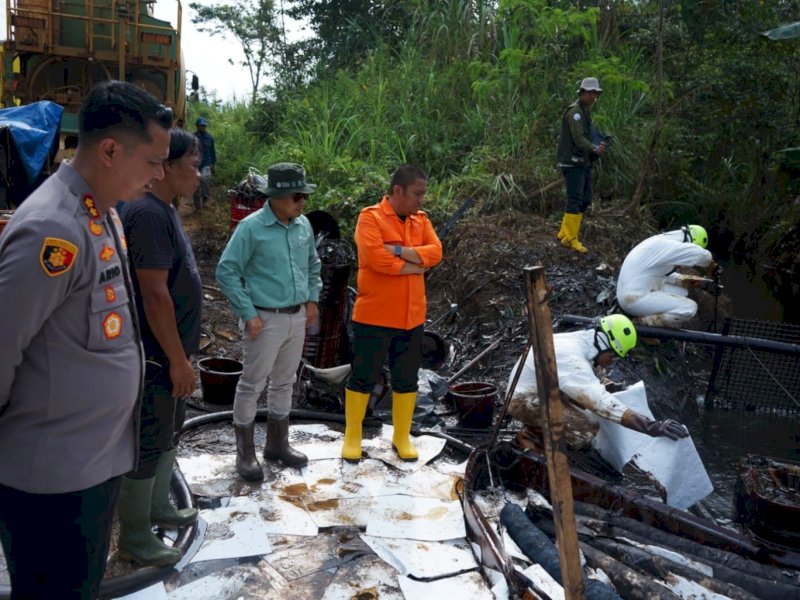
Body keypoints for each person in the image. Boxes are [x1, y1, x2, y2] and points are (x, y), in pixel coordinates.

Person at [0, 81, 171, 599]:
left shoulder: (103, 210)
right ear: (111, 150)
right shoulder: (52, 229)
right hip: (51, 480)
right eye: (154, 161)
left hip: (93, 465)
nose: (160, 174)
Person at [117, 128, 202, 566]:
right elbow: (155, 295)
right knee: (149, 439)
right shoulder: (147, 214)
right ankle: (134, 535)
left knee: (167, 430)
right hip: (156, 358)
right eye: (192, 164)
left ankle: (158, 508)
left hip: (173, 356)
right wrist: (175, 360)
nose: (200, 174)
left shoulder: (164, 210)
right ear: (166, 165)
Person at [216, 162, 322, 480]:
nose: (302, 201)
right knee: (252, 385)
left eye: (304, 195)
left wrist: (312, 299)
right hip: (264, 318)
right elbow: (227, 270)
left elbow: (313, 264)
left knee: (285, 382)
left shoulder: (302, 225)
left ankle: (278, 444)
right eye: (296, 195)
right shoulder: (251, 228)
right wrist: (248, 313)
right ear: (275, 196)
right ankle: (245, 454)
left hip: (295, 316)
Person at [341, 164, 443, 463]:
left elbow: (436, 252)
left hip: (411, 317)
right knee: (363, 376)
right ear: (397, 190)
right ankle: (352, 435)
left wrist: (398, 251)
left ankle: (401, 436)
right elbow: (375, 259)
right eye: (416, 193)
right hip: (375, 315)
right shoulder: (369, 218)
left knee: (407, 378)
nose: (421, 200)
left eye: (423, 194)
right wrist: (416, 264)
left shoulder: (420, 220)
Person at [508, 315, 690, 448]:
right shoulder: (571, 358)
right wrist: (650, 426)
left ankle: (542, 434)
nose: (611, 363)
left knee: (587, 416)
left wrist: (608, 385)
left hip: (545, 391)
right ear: (605, 347)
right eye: (613, 357)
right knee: (586, 431)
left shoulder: (583, 341)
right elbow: (599, 402)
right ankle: (530, 440)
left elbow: (589, 375)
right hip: (524, 400)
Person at [616, 225, 717, 328]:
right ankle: (641, 324)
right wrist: (713, 268)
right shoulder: (668, 245)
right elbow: (702, 256)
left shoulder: (661, 242)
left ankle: (646, 316)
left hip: (628, 292)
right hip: (633, 300)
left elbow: (662, 275)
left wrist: (697, 282)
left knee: (682, 292)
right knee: (689, 308)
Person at [555, 76, 607, 254]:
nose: (593, 96)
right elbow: (578, 139)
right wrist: (594, 148)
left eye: (595, 93)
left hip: (582, 162)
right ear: (583, 92)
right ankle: (570, 238)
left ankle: (565, 233)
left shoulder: (585, 110)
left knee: (585, 199)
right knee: (575, 199)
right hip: (572, 163)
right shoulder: (575, 112)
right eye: (591, 92)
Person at [192, 117, 216, 209]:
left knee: (205, 181)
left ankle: (205, 199)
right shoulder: (192, 137)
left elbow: (212, 152)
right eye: (200, 125)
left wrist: (213, 165)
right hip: (195, 164)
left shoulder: (209, 138)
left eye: (203, 126)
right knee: (195, 184)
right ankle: (197, 205)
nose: (202, 127)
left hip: (206, 163)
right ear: (197, 126)